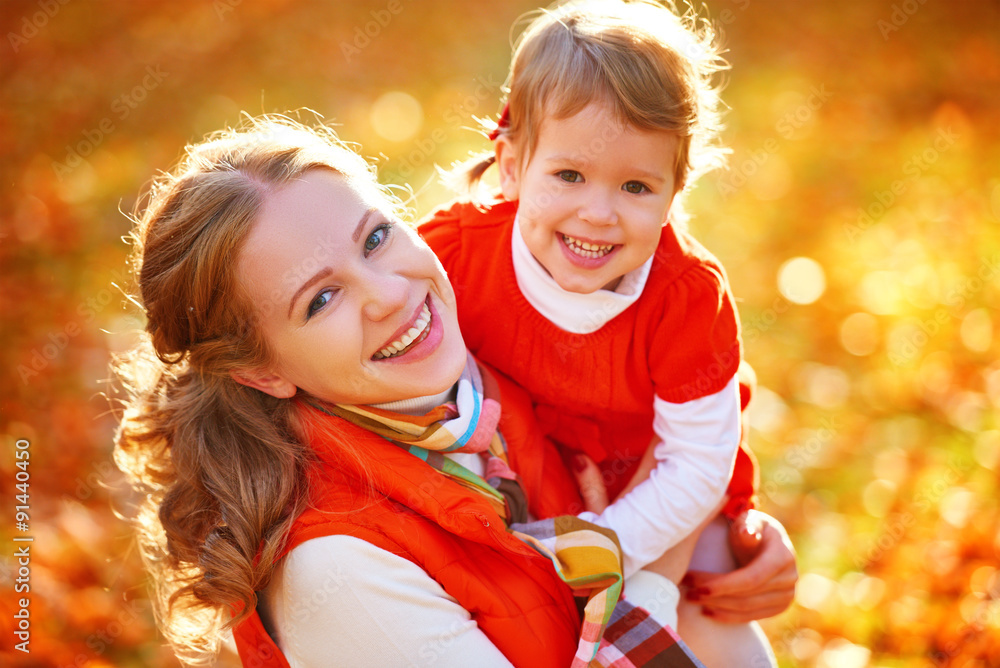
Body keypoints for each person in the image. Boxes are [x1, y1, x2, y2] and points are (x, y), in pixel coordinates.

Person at [114, 117, 730, 668]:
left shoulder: (469, 371)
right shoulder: (338, 571)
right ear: (262, 373)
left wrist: (731, 538)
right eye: (321, 300)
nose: (388, 294)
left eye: (375, 238)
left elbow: (689, 377)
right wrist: (662, 570)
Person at [418, 0, 791, 663]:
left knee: (717, 610)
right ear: (511, 166)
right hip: (522, 489)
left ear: (677, 189)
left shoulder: (686, 296)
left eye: (636, 187)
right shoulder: (454, 257)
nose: (598, 214)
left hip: (660, 493)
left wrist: (613, 548)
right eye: (568, 175)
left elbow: (698, 463)